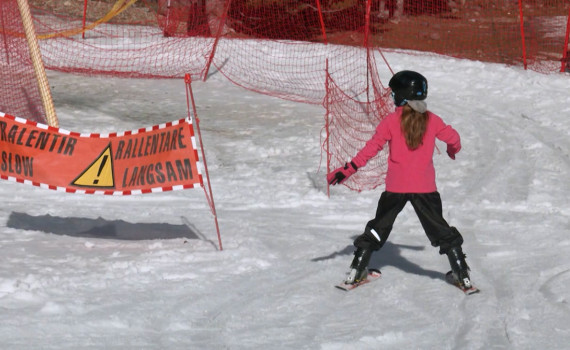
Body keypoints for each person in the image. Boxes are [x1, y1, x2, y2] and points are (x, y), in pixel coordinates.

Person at [327, 70, 473, 289]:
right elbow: (454, 138)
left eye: (394, 92)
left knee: (378, 228)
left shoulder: (390, 121)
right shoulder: (432, 120)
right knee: (440, 230)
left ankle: (356, 270)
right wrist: (453, 149)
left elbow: (371, 149)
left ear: (400, 95)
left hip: (395, 188)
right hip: (425, 189)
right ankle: (462, 274)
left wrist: (348, 170)